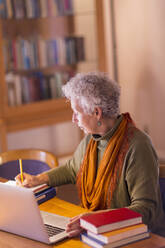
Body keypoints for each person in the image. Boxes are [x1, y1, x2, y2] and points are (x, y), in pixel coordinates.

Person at [16, 72, 165, 237]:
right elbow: (72, 169)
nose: (74, 119)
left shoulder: (138, 146)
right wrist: (37, 179)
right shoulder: (91, 141)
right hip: (98, 231)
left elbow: (145, 209)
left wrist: (96, 219)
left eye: (77, 112)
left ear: (97, 113)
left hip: (139, 236)